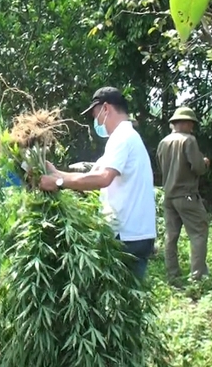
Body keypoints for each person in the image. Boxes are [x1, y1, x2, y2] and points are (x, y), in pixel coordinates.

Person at [39, 87, 157, 279]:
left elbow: (102, 179)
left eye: (95, 114)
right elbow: (94, 174)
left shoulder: (122, 138)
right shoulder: (125, 137)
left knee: (124, 301)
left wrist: (58, 183)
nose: (96, 121)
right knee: (126, 301)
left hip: (128, 236)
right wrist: (54, 172)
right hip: (134, 233)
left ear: (106, 108)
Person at [156, 106, 210, 282]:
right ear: (186, 123)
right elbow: (198, 168)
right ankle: (198, 276)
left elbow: (160, 167)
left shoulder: (163, 142)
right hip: (186, 195)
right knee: (199, 232)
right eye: (191, 123)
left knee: (170, 236)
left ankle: (172, 275)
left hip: (168, 195)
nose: (192, 127)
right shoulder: (189, 140)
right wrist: (205, 162)